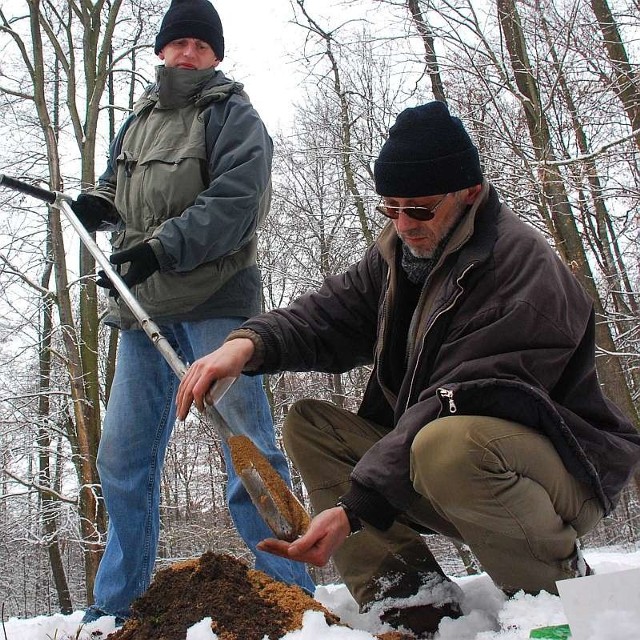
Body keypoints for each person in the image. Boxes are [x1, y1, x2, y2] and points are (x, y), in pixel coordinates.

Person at [176, 101, 640, 637]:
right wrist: (244, 346)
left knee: (446, 443)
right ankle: (409, 595)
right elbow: (328, 316)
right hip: (444, 459)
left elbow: (456, 397)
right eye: (389, 209)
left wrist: (355, 507)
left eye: (418, 209)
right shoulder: (401, 253)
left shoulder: (521, 270)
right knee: (311, 423)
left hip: (554, 474)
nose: (403, 225)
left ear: (469, 193)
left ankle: (554, 593)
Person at [70, 0, 314, 624]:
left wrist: (160, 248)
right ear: (161, 50)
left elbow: (236, 203)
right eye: (177, 42)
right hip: (142, 314)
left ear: (215, 55)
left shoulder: (234, 114)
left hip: (217, 308)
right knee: (121, 459)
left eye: (199, 46)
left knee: (245, 447)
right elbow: (115, 189)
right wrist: (96, 205)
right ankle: (116, 607)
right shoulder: (137, 122)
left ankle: (292, 597)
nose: (187, 53)